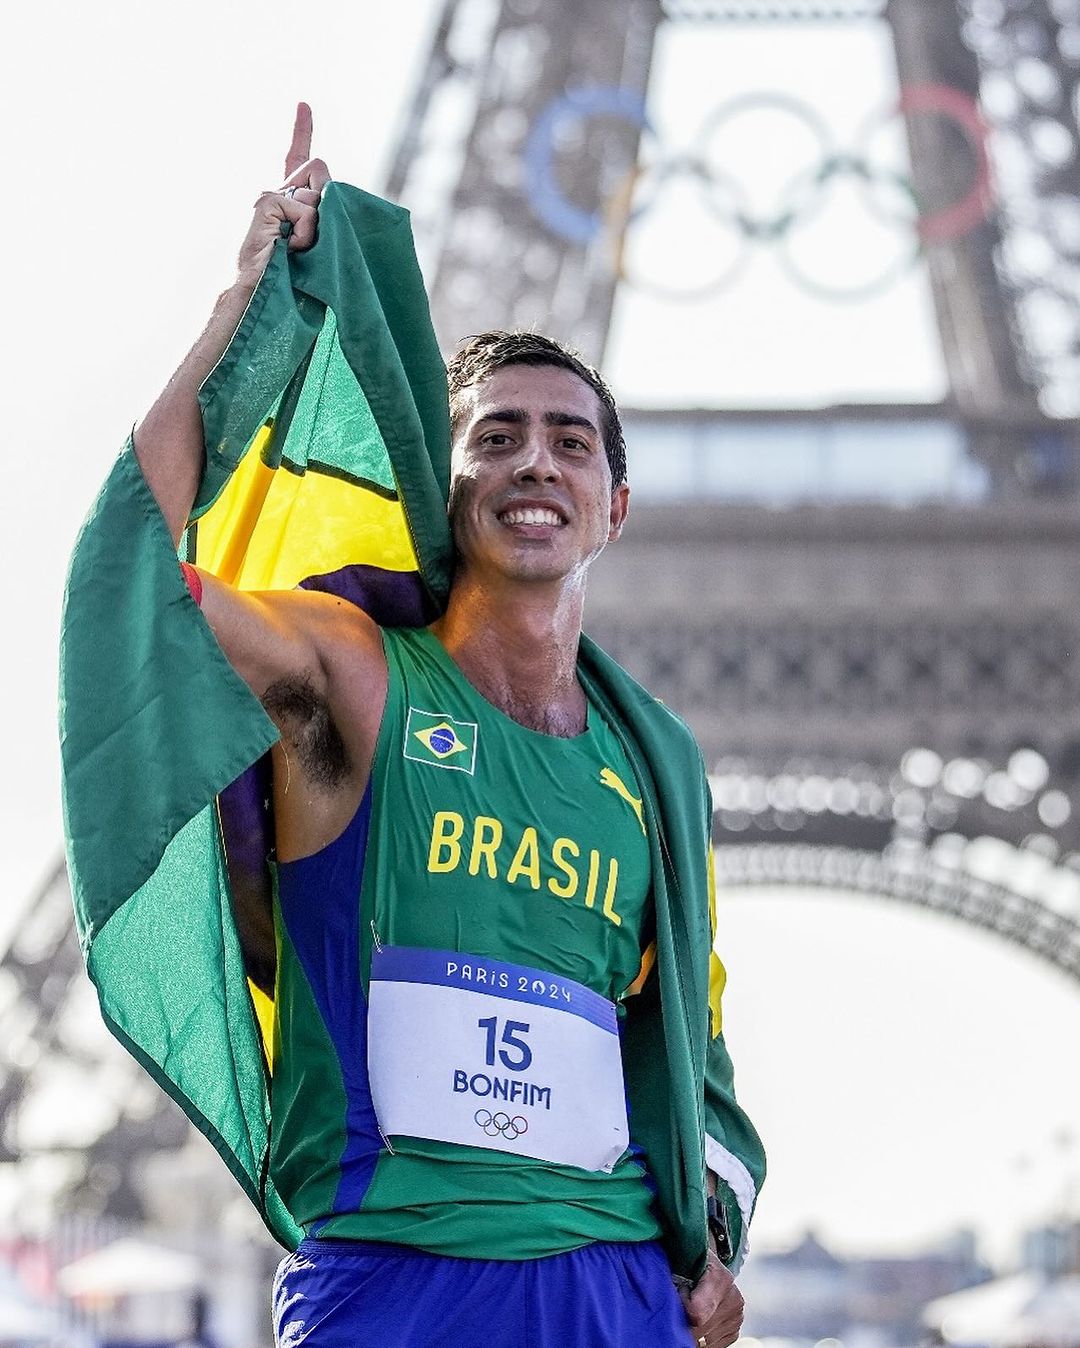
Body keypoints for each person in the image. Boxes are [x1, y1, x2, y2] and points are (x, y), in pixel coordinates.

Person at [127, 104, 764, 1348]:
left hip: (610, 1280)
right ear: (451, 483)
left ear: (613, 503)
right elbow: (150, 580)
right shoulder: (359, 677)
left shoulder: (653, 764)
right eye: (499, 437)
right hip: (394, 1275)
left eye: (569, 442)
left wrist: (710, 1244)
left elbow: (690, 1039)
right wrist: (241, 311)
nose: (536, 462)